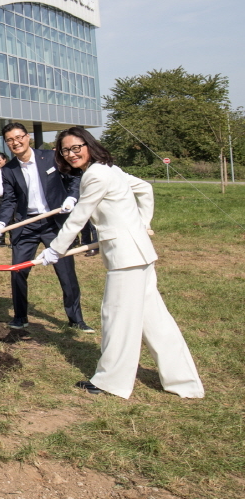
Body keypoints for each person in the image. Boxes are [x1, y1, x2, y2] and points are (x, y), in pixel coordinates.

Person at [38, 127, 204, 400]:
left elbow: (80, 216)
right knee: (155, 322)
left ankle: (110, 381)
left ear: (88, 145)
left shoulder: (96, 174)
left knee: (116, 317)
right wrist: (142, 224)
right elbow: (145, 189)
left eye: (76, 147)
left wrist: (55, 250)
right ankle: (184, 381)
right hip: (139, 253)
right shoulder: (110, 169)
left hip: (126, 258)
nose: (71, 154)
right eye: (65, 150)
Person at [0, 123, 89, 332]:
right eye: (10, 140)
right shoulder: (8, 170)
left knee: (65, 271)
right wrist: (0, 222)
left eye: (19, 137)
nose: (16, 142)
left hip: (54, 222)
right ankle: (20, 316)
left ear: (28, 137)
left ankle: (75, 319)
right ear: (6, 144)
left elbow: (74, 179)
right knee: (18, 270)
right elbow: (9, 200)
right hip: (26, 225)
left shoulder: (51, 157)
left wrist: (71, 197)